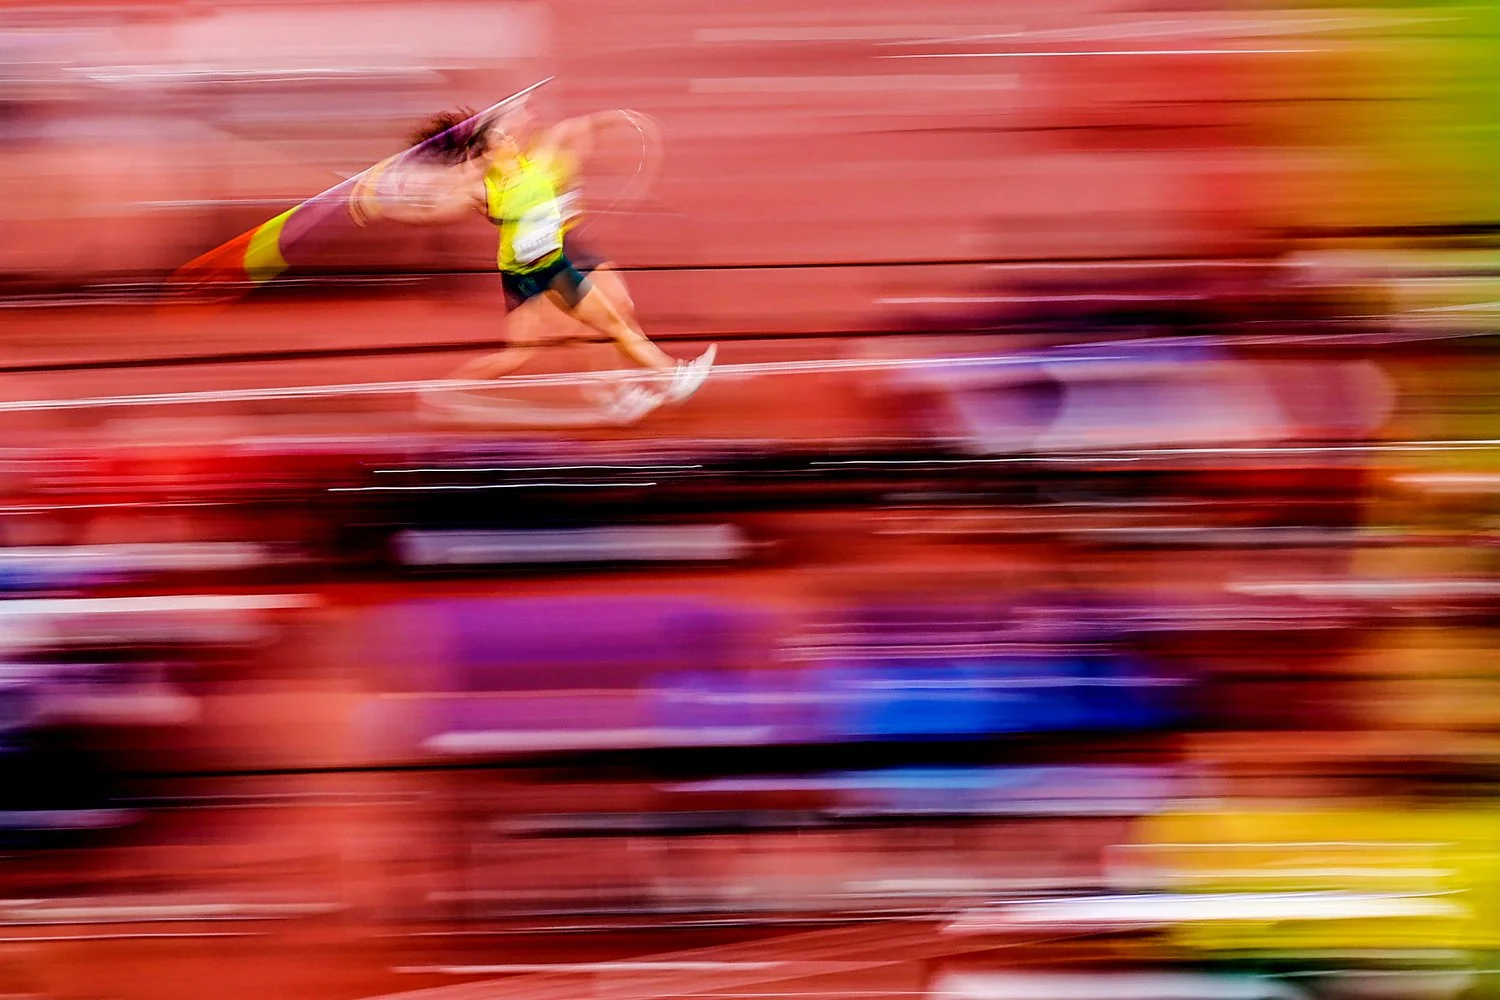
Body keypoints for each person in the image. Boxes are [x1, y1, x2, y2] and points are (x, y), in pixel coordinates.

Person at [353, 98, 713, 421]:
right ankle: (445, 392)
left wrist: (618, 119)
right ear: (490, 150)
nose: (516, 132)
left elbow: (572, 129)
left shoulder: (536, 159)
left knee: (612, 320)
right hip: (523, 274)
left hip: (555, 261)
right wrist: (382, 200)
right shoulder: (481, 186)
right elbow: (435, 208)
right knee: (523, 354)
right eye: (506, 132)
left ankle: (656, 381)